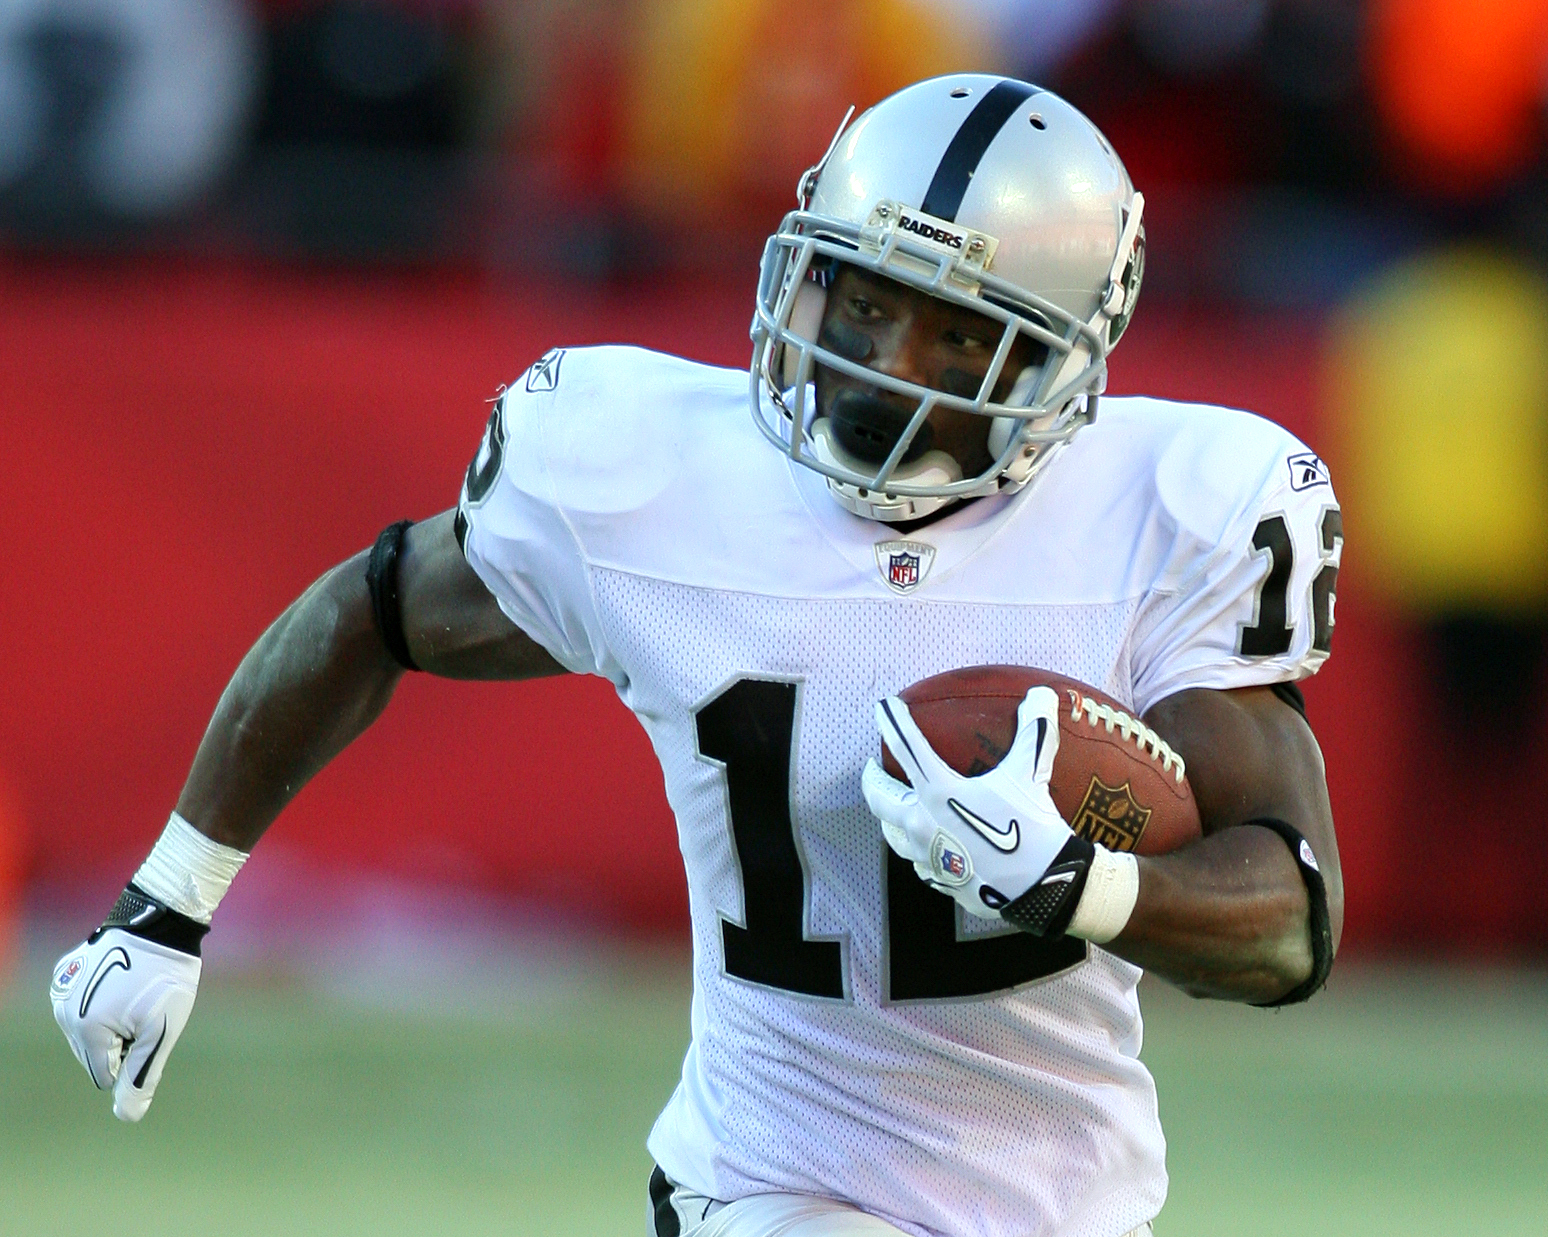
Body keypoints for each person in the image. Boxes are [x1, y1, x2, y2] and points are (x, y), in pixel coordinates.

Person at [50, 75, 1343, 1237]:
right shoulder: (655, 473)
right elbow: (373, 609)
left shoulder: (1168, 511)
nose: (876, 366)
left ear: (1068, 362)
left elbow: (1289, 920)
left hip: (1074, 1204)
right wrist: (167, 902)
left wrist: (1079, 883)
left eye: (955, 333)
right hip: (769, 1187)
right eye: (862, 296)